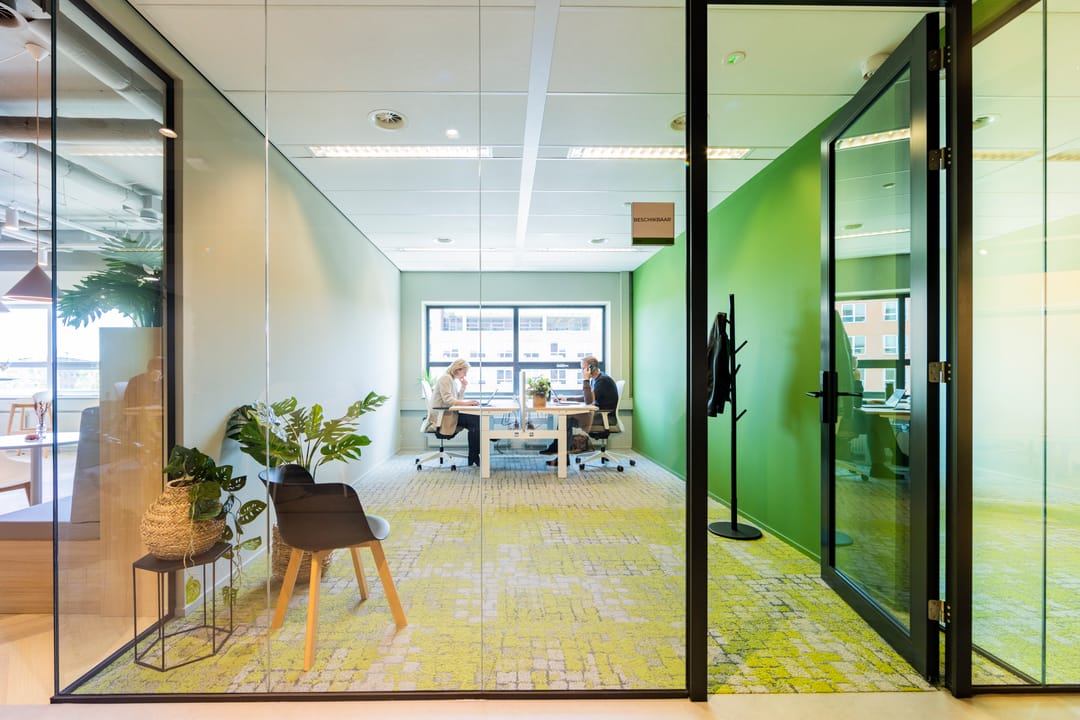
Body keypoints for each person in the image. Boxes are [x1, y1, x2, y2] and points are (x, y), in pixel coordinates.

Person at [541, 356, 618, 466]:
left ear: (591, 368)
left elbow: (588, 400)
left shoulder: (603, 381)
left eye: (583, 368)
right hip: (597, 415)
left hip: (605, 418)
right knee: (566, 418)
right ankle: (561, 454)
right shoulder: (597, 379)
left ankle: (560, 452)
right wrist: (567, 399)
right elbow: (588, 397)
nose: (581, 371)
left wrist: (585, 380)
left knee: (567, 418)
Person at [427, 358, 481, 467]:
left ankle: (474, 455)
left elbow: (457, 400)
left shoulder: (452, 380)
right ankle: (475, 454)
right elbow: (448, 400)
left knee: (475, 421)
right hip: (443, 417)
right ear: (458, 369)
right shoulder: (446, 379)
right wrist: (466, 404)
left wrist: (463, 387)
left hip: (448, 414)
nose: (465, 375)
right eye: (464, 372)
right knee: (476, 420)